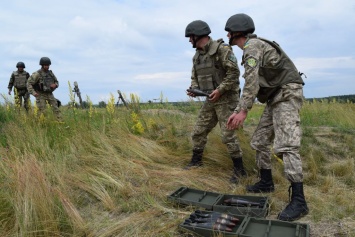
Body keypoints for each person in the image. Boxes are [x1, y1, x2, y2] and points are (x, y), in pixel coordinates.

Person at [225, 13, 308, 221]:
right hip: (275, 97)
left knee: (287, 146)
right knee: (259, 141)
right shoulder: (254, 46)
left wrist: (243, 110)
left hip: (286, 94)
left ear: (237, 31)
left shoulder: (251, 47)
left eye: (229, 31)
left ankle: (299, 201)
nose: (227, 35)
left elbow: (251, 82)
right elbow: (251, 86)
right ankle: (266, 182)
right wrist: (238, 110)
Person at [184, 20, 246, 184]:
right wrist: (194, 89)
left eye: (190, 37)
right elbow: (194, 78)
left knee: (228, 135)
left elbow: (234, 74)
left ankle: (240, 171)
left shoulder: (222, 50)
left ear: (197, 35)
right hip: (211, 99)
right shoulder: (197, 56)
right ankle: (196, 161)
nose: (189, 40)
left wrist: (220, 90)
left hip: (227, 99)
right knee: (198, 131)